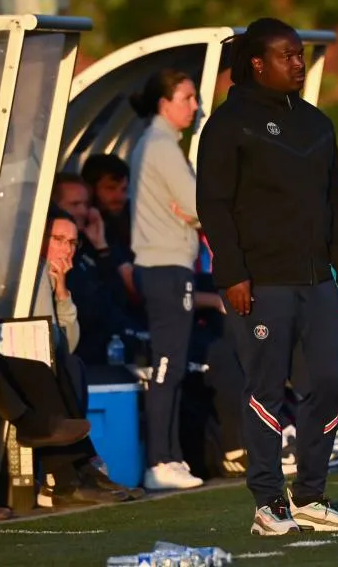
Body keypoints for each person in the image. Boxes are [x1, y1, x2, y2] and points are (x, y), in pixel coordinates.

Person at [197, 17, 338, 536]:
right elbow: (215, 208)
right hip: (260, 281)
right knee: (266, 388)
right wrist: (233, 275)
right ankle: (268, 503)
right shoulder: (228, 125)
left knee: (330, 383)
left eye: (300, 54)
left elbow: (334, 201)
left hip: (318, 280)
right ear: (256, 63)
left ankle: (311, 495)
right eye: (287, 55)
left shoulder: (317, 123)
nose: (299, 63)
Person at [128, 68, 204, 491]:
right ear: (164, 103)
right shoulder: (161, 145)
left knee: (171, 364)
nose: (195, 106)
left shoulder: (157, 144)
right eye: (187, 98)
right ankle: (159, 459)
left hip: (167, 265)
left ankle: (170, 457)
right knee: (167, 364)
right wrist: (195, 210)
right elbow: (199, 204)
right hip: (164, 266)